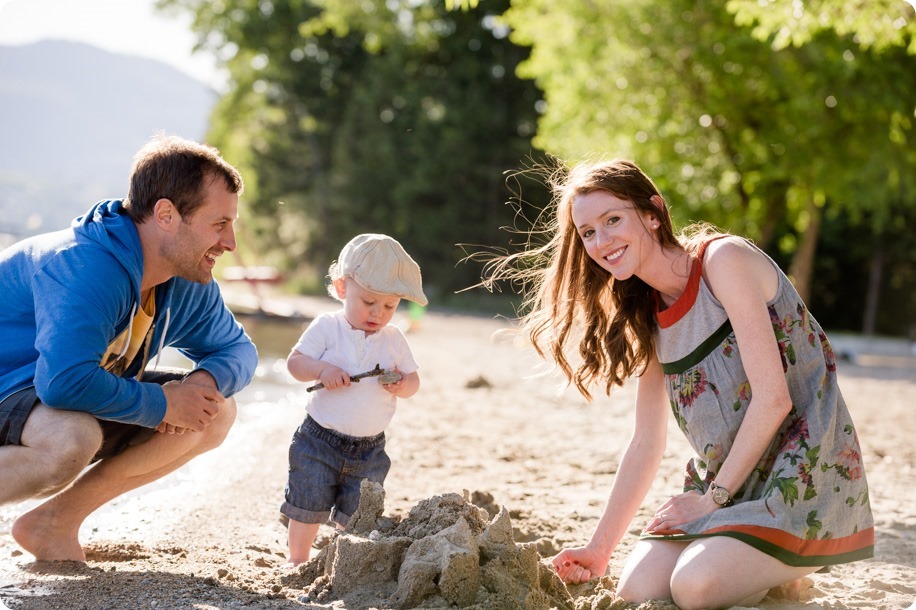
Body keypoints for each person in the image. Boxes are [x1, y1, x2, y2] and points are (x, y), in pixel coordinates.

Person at [479, 159, 873, 608]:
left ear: (653, 212)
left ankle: (790, 565)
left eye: (613, 220)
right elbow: (647, 441)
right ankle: (760, 566)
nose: (602, 241)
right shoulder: (647, 315)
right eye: (588, 232)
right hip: (722, 484)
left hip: (802, 473)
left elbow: (774, 399)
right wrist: (599, 549)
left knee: (694, 587)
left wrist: (710, 501)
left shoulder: (722, 261)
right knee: (637, 590)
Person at [0, 134, 258, 562]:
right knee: (71, 438)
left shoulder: (182, 276)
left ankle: (52, 524)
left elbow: (238, 350)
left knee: (212, 411)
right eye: (219, 224)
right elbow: (63, 383)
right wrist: (161, 403)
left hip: (42, 397)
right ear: (166, 214)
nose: (229, 242)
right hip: (12, 386)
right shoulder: (83, 266)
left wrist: (199, 385)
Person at [282, 233, 427, 566]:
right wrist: (322, 369)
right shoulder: (327, 327)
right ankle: (297, 559)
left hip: (369, 448)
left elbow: (414, 379)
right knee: (308, 498)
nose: (378, 313)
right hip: (319, 439)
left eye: (389, 306)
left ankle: (342, 562)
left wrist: (403, 384)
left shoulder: (393, 339)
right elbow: (295, 364)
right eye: (369, 302)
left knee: (358, 511)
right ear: (343, 288)